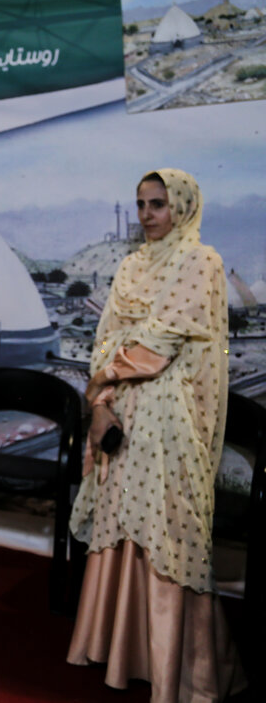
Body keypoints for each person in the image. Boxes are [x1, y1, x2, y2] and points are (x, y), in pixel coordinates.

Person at [68, 168, 242, 701]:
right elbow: (107, 338)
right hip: (120, 415)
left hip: (170, 423)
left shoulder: (202, 262)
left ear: (182, 207)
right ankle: (119, 651)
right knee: (119, 525)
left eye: (158, 204)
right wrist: (101, 406)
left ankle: (181, 672)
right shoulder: (130, 265)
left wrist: (103, 377)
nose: (147, 215)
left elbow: (160, 343)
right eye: (141, 204)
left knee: (171, 533)